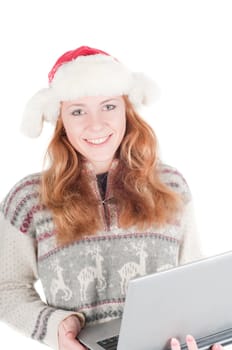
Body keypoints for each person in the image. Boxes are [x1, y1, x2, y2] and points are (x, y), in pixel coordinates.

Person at [0, 46, 223, 350]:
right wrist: (57, 329)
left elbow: (192, 284)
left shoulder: (171, 185)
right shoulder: (27, 199)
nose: (96, 124)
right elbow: (7, 288)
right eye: (78, 111)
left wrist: (200, 337)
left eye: (108, 106)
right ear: (61, 120)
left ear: (126, 110)